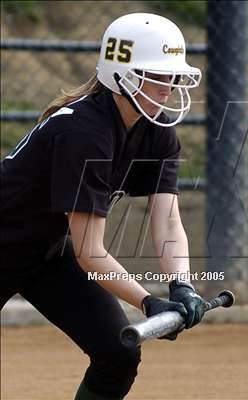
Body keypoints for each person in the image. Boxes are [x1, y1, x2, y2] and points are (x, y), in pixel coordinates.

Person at [0, 13, 206, 400]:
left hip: (47, 252)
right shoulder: (84, 132)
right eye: (157, 75)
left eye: (172, 75)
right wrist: (148, 302)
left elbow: (167, 220)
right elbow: (91, 252)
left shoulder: (157, 132)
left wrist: (182, 285)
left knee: (117, 352)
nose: (169, 86)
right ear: (121, 75)